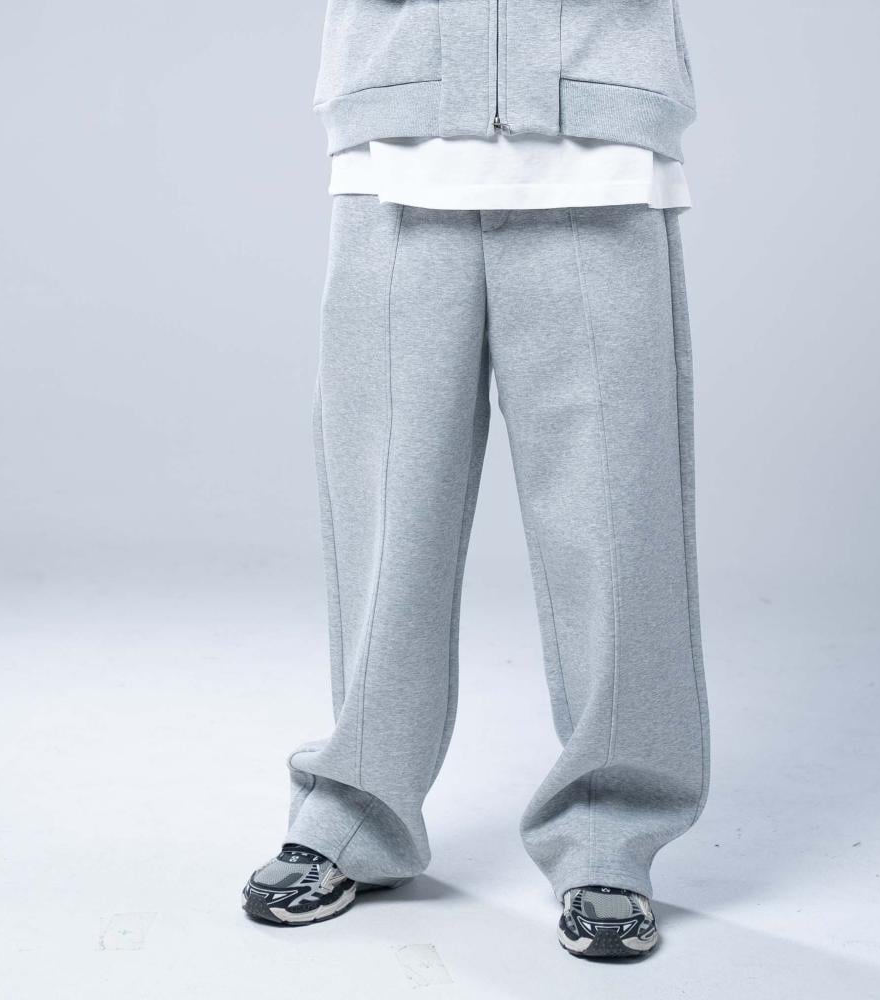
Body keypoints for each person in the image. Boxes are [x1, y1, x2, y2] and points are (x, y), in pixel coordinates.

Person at [242, 0, 711, 960]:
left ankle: (611, 831)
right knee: (384, 515)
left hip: (598, 127)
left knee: (617, 522)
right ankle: (357, 809)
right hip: (399, 122)